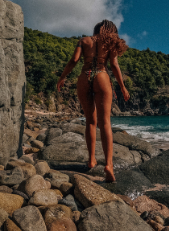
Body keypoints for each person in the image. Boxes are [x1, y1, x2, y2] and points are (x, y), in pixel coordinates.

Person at [56, 19, 130, 183]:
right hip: (102, 76)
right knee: (105, 123)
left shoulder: (84, 40)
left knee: (90, 121)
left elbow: (74, 60)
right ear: (112, 31)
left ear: (96, 29)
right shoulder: (110, 44)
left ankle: (91, 160)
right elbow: (114, 65)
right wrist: (123, 87)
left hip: (84, 76)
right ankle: (109, 165)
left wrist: (62, 78)